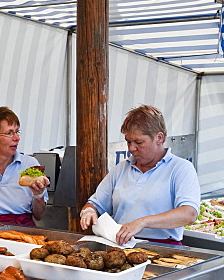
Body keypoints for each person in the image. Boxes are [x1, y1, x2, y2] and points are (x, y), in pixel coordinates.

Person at [79, 105, 199, 245]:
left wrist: (143, 222)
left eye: (138, 142)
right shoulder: (122, 168)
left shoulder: (181, 169)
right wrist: (88, 211)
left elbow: (189, 213)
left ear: (159, 138)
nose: (131, 148)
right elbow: (95, 203)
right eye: (128, 141)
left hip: (163, 249)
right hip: (119, 247)